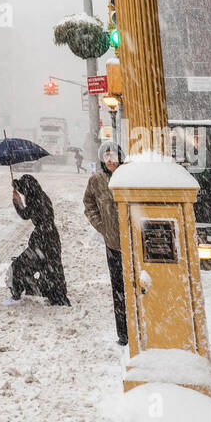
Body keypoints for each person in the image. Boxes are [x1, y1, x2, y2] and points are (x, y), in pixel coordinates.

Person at [83, 142, 127, 345]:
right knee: (118, 290)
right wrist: (101, 226)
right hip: (113, 244)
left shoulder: (129, 176)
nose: (110, 160)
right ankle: (124, 334)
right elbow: (89, 204)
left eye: (114, 155)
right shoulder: (96, 181)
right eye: (106, 156)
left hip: (134, 244)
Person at [7, 173, 71, 306]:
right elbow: (27, 188)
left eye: (24, 190)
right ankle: (56, 294)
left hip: (43, 239)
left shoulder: (36, 199)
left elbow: (25, 214)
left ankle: (16, 295)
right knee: (51, 267)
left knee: (19, 266)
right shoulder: (40, 195)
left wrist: (17, 202)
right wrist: (16, 186)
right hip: (51, 237)